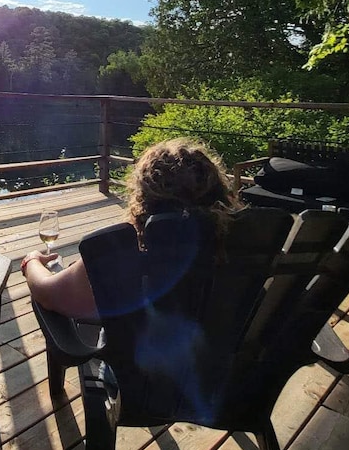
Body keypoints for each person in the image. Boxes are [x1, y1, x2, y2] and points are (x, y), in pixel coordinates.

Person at [21, 137, 242, 320]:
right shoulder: (246, 241)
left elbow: (47, 293)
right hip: (226, 368)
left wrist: (31, 261)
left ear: (142, 196)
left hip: (136, 372)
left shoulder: (116, 250)